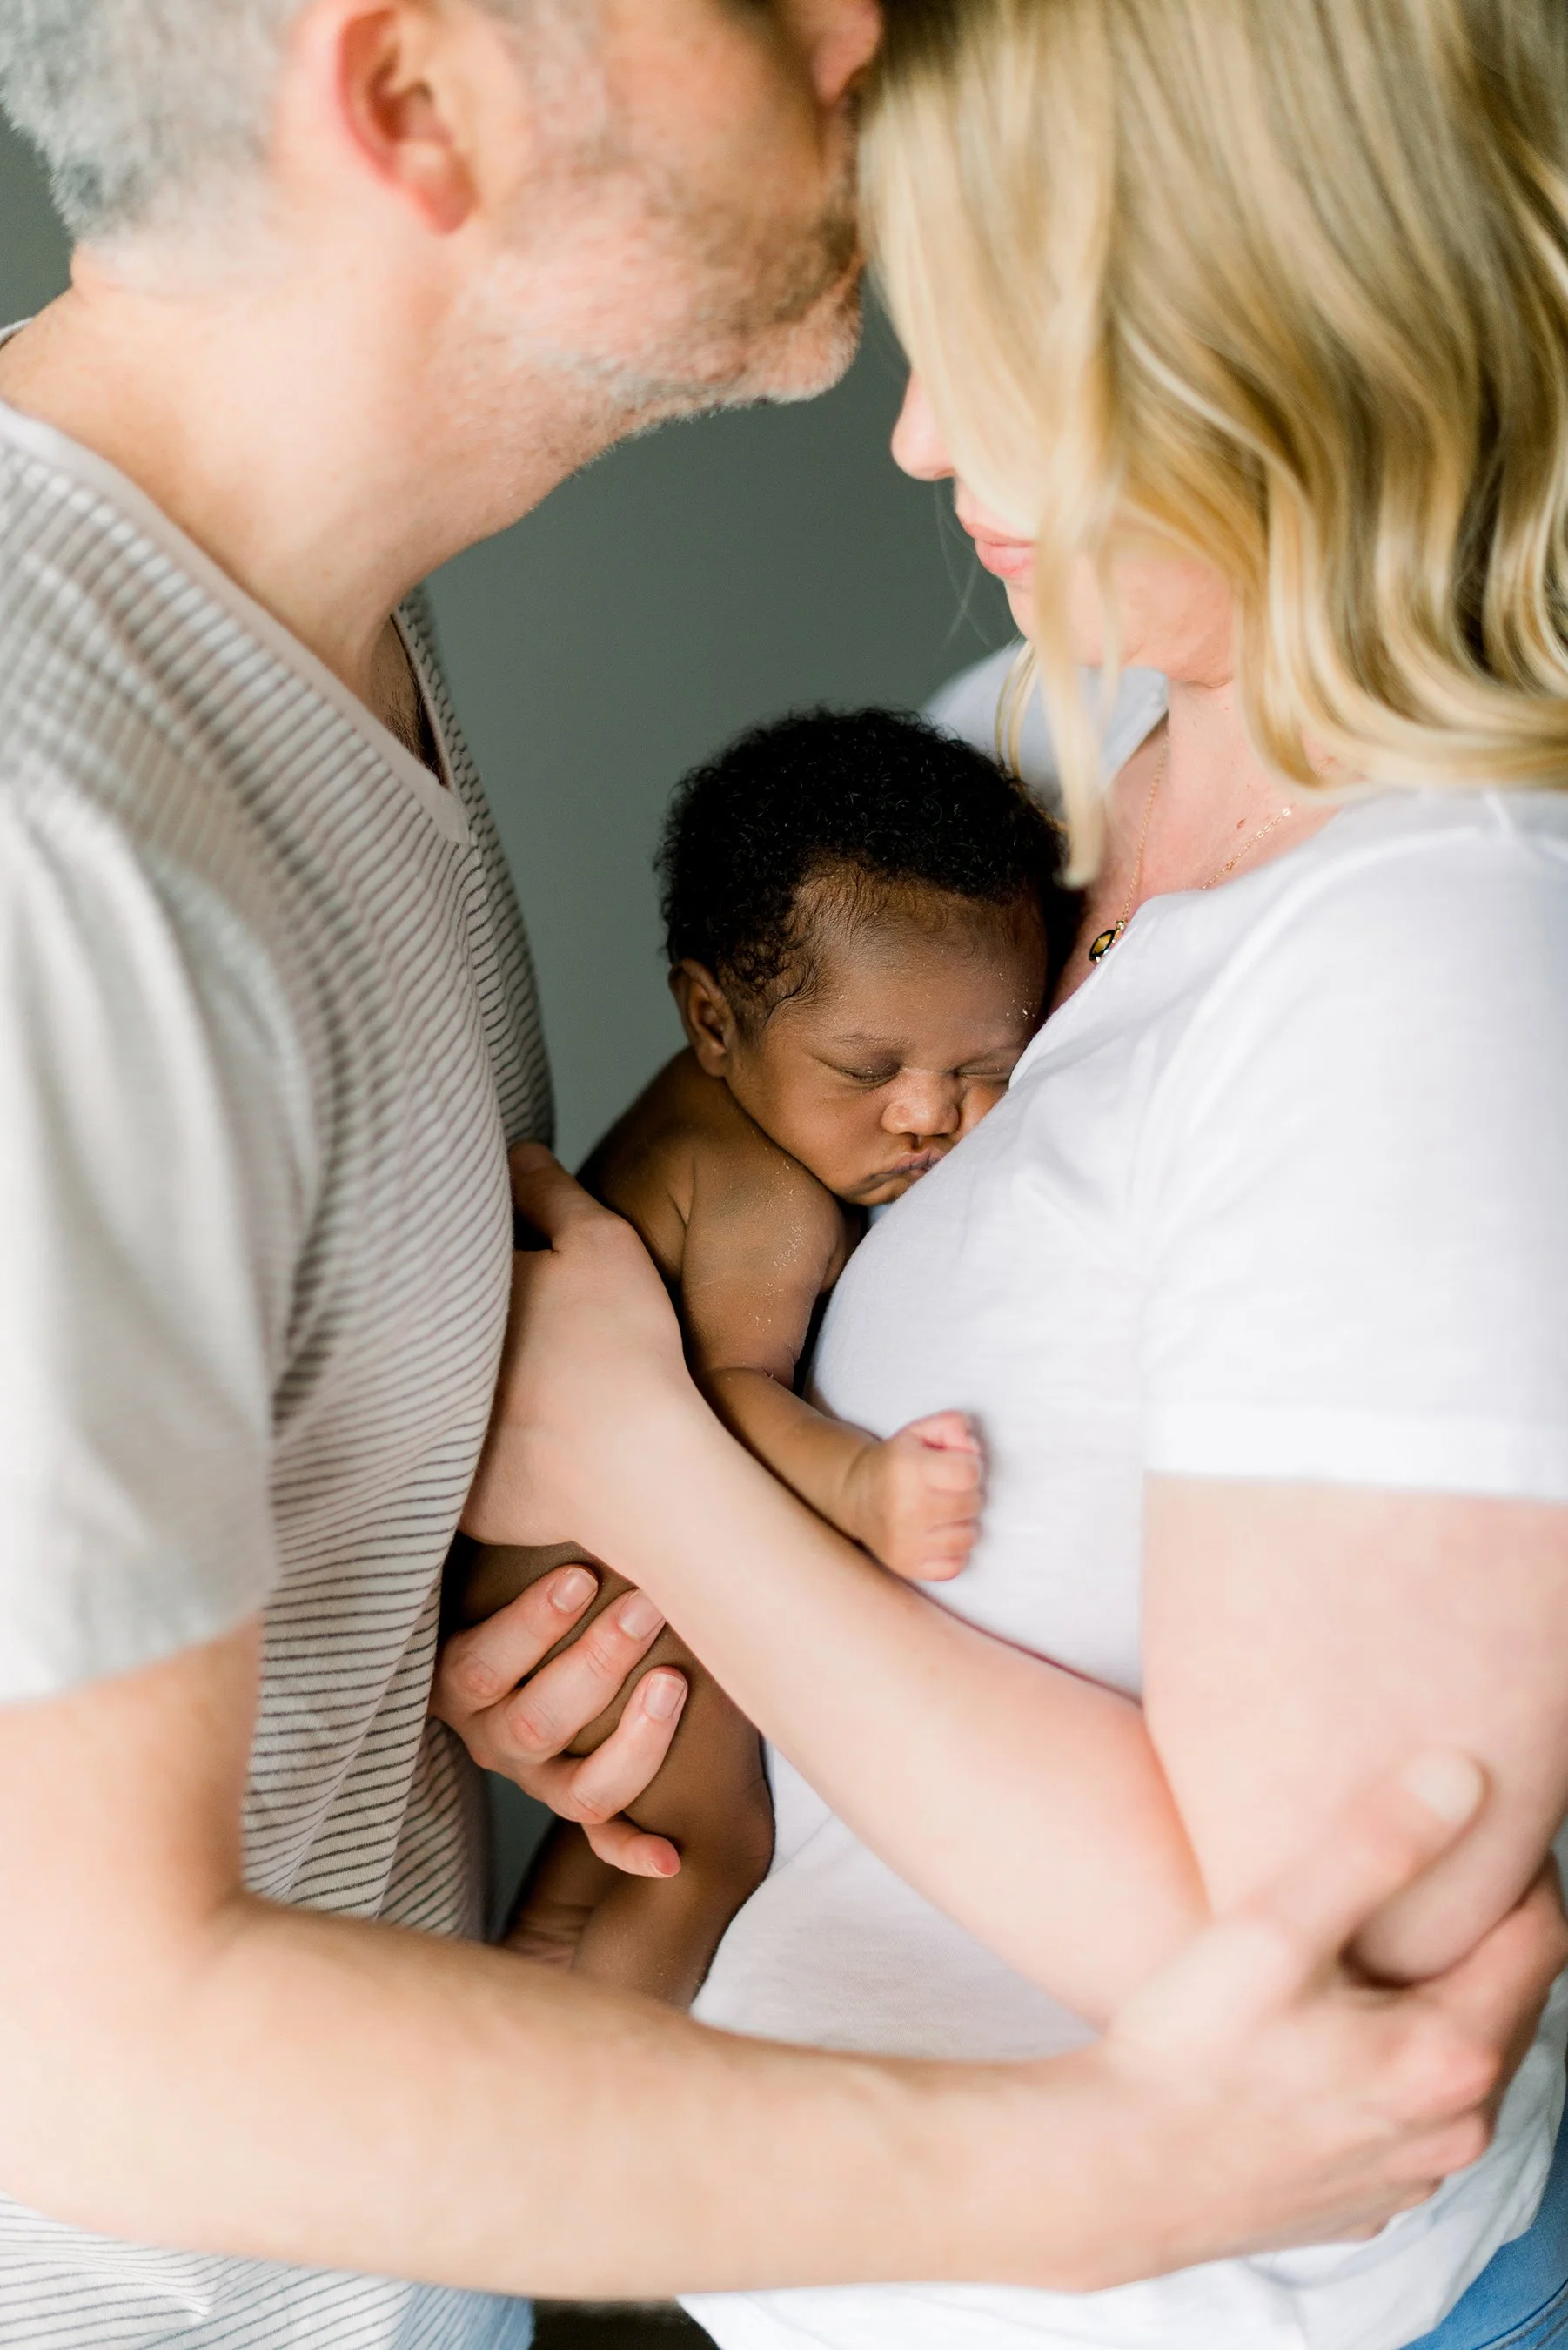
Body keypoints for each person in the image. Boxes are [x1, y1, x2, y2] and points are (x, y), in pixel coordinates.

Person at [0, 3, 1558, 2348]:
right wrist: (1102, 2170)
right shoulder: (54, 837)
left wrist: (606, 1585)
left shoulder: (302, 661)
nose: (852, 13)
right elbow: (82, 2035)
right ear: (414, 101)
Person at [462, 707, 1074, 2006]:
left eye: (985, 1067)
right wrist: (865, 1491)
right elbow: (723, 1403)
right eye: (867, 1067)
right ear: (712, 1015)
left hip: (552, 1576)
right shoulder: (769, 1203)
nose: (926, 1113)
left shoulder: (698, 1104)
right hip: (603, 1585)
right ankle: (592, 2101)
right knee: (704, 1850)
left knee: (615, 1853)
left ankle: (532, 1981)